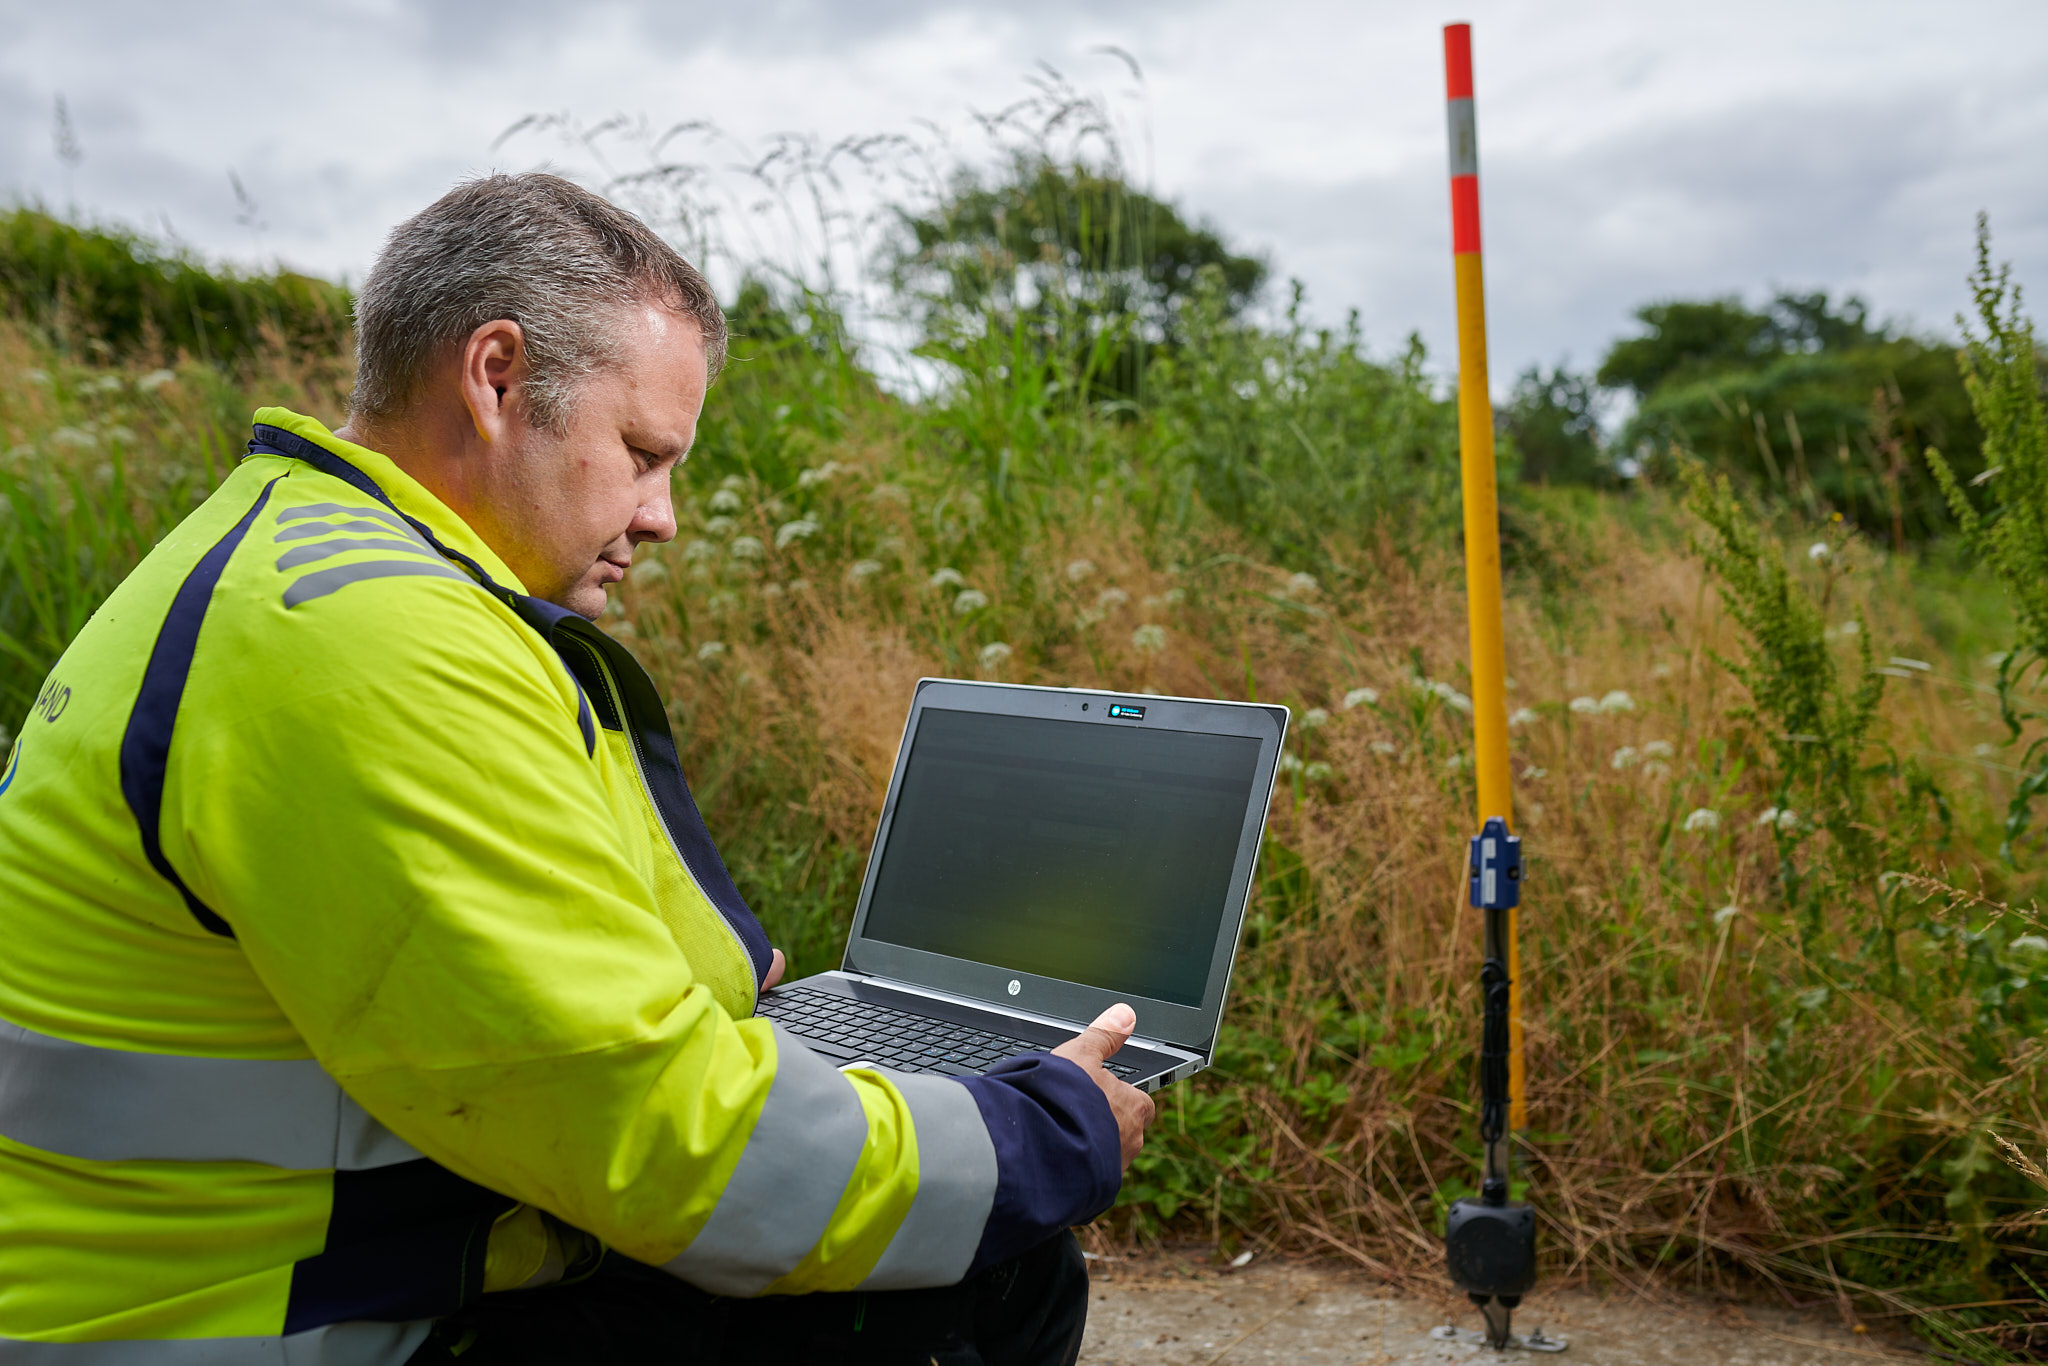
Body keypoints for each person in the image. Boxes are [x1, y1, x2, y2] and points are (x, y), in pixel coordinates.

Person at [0, 172, 1156, 1365]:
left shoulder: (314, 564)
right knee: (985, 1264)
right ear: (494, 376)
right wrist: (1038, 1133)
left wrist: (724, 982)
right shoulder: (367, 643)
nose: (662, 517)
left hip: (246, 1267)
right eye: (643, 453)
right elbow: (666, 1145)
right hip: (241, 1325)